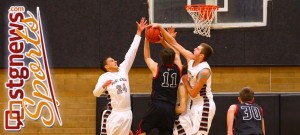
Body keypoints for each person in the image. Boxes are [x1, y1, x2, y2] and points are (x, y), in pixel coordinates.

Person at [151, 23, 216, 135]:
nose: (194, 48)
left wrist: (185, 81)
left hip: (204, 104)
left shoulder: (204, 71)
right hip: (194, 105)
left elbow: (194, 93)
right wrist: (161, 31)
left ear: (201, 56)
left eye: (198, 49)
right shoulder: (190, 57)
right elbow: (174, 43)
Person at [93, 17, 147, 135]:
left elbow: (131, 52)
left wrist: (138, 33)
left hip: (127, 113)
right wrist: (103, 86)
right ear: (106, 66)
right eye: (112, 61)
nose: (115, 61)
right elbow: (95, 93)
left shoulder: (123, 69)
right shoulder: (104, 77)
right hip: (115, 113)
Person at [136, 27, 182, 135]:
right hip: (170, 108)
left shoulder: (156, 68)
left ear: (161, 58)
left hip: (156, 105)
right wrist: (165, 40)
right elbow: (176, 53)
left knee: (143, 130)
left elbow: (146, 56)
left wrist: (147, 39)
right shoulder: (179, 68)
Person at [173, 64, 193, 135]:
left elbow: (182, 108)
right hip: (186, 118)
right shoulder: (186, 81)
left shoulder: (183, 82)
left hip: (183, 119)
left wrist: (167, 110)